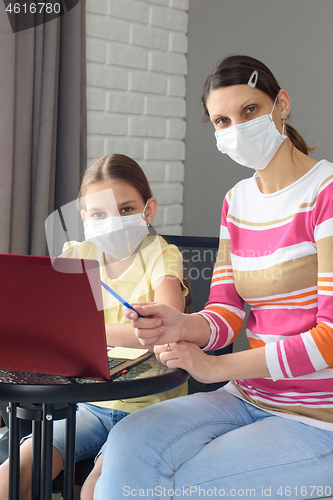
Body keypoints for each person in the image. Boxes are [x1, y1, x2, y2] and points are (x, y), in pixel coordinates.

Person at [93, 56, 333, 500]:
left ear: (281, 104)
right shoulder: (236, 201)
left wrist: (216, 366)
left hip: (319, 419)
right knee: (127, 446)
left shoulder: (326, 193)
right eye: (222, 120)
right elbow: (225, 309)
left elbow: (330, 339)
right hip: (248, 397)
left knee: (169, 488)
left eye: (249, 111)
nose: (236, 127)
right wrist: (180, 324)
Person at [0, 154, 189, 500]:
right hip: (89, 404)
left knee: (97, 489)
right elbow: (46, 325)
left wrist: (78, 329)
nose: (113, 221)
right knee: (14, 472)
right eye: (99, 214)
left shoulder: (161, 255)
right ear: (85, 218)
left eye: (126, 209)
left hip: (151, 407)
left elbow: (167, 325)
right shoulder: (76, 253)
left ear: (148, 210)